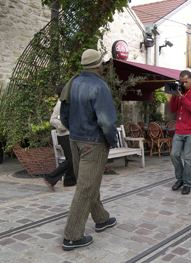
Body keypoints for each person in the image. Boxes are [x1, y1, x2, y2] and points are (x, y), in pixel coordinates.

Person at [59, 49, 118, 250]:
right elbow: (107, 122)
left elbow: (64, 115)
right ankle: (72, 236)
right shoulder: (100, 87)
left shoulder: (72, 83)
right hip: (94, 142)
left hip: (75, 139)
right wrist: (112, 140)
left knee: (87, 183)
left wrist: (74, 131)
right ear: (98, 65)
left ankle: (101, 218)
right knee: (85, 187)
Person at [43, 83, 77, 191]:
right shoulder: (60, 104)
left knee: (72, 158)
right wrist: (63, 126)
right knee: (70, 159)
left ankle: (69, 181)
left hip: (70, 135)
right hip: (63, 136)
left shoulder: (67, 103)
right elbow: (52, 120)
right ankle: (50, 178)